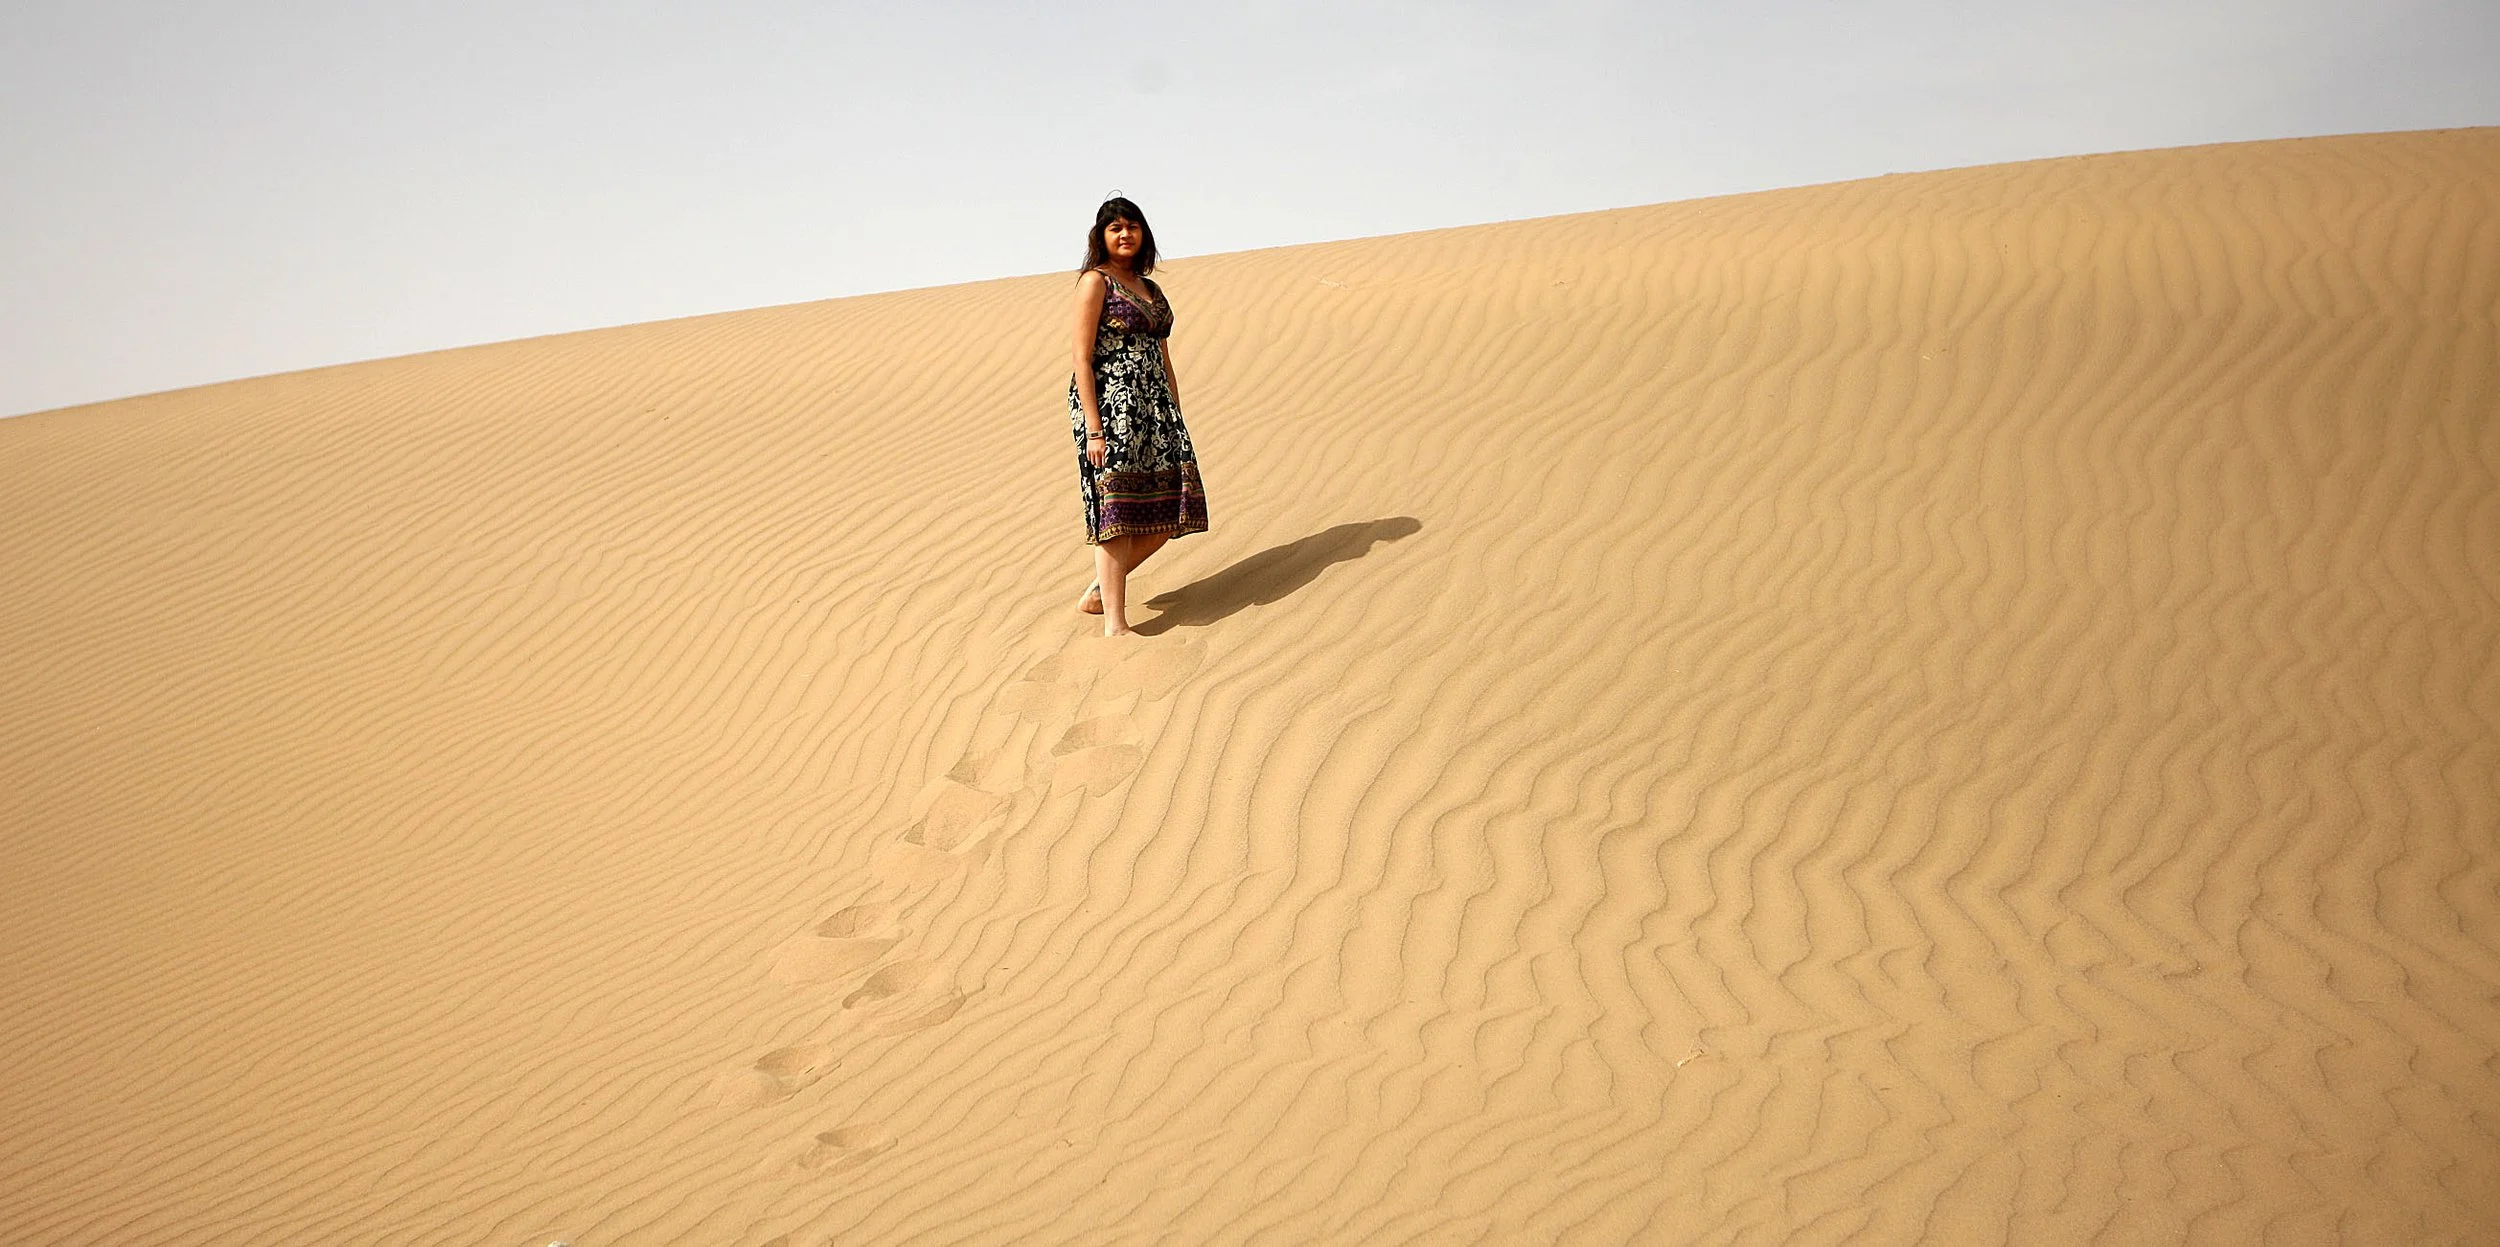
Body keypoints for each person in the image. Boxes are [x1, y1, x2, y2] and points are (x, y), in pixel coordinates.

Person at [1068, 195, 1209, 636]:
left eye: (1132, 226)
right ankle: (1116, 623)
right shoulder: (1096, 282)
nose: (1125, 234)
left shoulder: (1152, 290)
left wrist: (1177, 415)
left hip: (1157, 411)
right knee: (1117, 509)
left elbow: (1164, 358)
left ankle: (1099, 590)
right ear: (1102, 237)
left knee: (1172, 508)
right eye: (1115, 228)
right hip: (1112, 410)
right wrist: (1094, 429)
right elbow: (1080, 356)